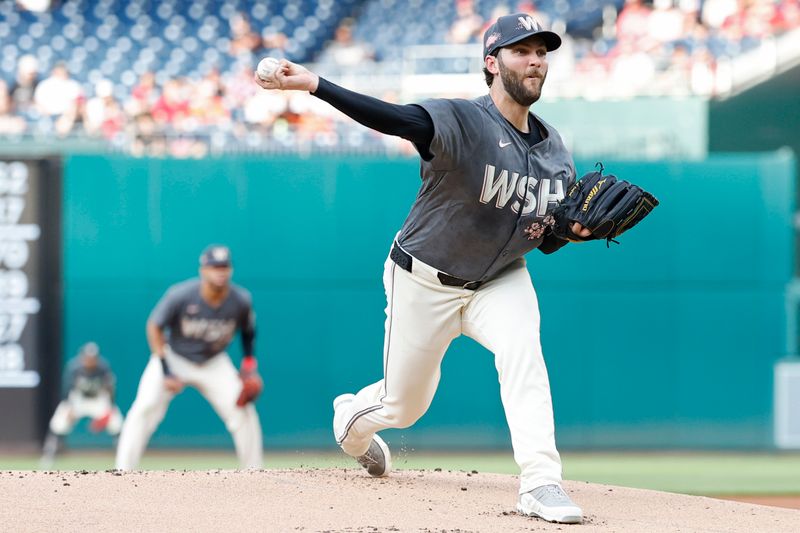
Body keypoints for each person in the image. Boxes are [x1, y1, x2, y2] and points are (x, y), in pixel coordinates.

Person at [254, 12, 587, 525]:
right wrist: (316, 85)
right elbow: (394, 118)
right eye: (523, 51)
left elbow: (543, 242)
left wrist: (571, 232)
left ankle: (541, 482)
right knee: (402, 407)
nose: (536, 61)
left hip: (499, 279)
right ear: (492, 63)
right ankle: (351, 423)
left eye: (542, 52)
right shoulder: (463, 120)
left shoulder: (556, 152)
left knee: (525, 354)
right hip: (422, 278)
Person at [115, 245, 263, 470]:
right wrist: (165, 369)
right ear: (203, 270)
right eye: (214, 267)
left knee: (242, 411)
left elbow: (248, 332)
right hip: (174, 356)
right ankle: (122, 471)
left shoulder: (241, 299)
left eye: (224, 267)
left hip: (213, 361)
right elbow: (154, 326)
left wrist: (249, 366)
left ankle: (255, 472)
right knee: (144, 407)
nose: (220, 272)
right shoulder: (181, 294)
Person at [41, 342, 123, 468]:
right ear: (82, 356)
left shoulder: (103, 367)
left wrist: (109, 409)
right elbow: (67, 390)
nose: (90, 361)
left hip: (98, 399)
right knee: (59, 421)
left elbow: (110, 389)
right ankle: (49, 455)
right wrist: (69, 407)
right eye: (87, 357)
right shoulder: (74, 368)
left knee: (116, 422)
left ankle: (123, 455)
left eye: (93, 358)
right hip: (78, 400)